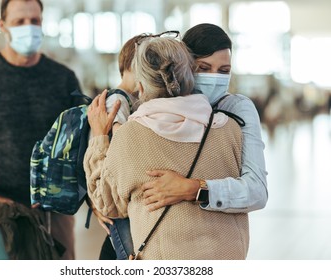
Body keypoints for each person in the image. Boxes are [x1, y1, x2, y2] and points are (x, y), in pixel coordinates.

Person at [84, 36, 248, 259]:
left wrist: (99, 137)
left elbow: (108, 205)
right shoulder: (230, 128)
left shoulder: (129, 136)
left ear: (141, 86)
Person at [0, 0, 84, 259]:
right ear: (2, 26)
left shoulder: (63, 79)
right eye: (19, 21)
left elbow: (83, 142)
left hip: (56, 212)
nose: (28, 27)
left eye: (35, 21)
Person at [141, 23, 268, 215]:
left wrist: (193, 189)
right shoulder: (161, 105)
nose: (214, 77)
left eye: (224, 71)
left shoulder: (236, 109)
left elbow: (257, 191)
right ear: (184, 66)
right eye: (204, 68)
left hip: (216, 236)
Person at [87, 34, 145, 260]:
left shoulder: (132, 99)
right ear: (133, 63)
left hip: (119, 194)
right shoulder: (117, 101)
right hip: (116, 195)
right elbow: (122, 148)